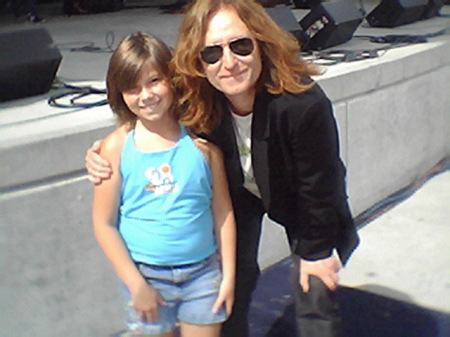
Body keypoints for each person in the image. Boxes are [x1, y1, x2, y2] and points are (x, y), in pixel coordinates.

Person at [86, 1, 360, 337]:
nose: (228, 63)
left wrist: (316, 252)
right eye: (212, 53)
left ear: (261, 43)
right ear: (198, 60)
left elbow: (319, 186)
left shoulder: (302, 104)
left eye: (240, 45)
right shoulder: (198, 94)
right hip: (237, 194)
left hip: (299, 196)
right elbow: (149, 113)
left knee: (315, 285)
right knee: (232, 287)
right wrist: (103, 150)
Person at [92, 32, 236, 337]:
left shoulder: (203, 149)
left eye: (154, 81)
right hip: (146, 277)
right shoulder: (116, 148)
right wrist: (136, 285)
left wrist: (229, 276)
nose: (146, 95)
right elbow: (104, 223)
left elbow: (223, 213)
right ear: (119, 94)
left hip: (202, 276)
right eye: (132, 88)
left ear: (172, 79)